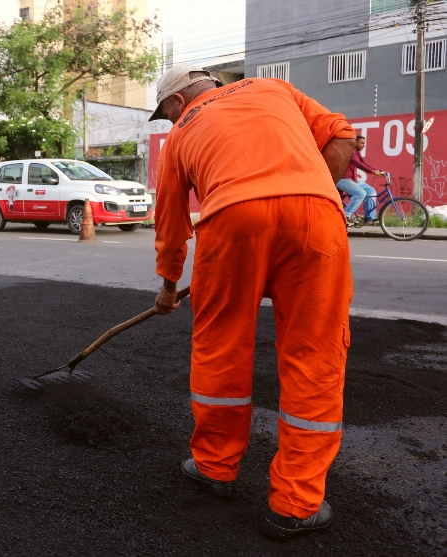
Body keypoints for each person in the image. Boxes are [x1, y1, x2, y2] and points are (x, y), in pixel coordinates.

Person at [149, 64, 355, 540]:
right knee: (314, 353)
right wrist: (307, 192)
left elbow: (171, 219)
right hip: (316, 220)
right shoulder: (273, 87)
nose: (168, 122)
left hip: (230, 223)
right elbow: (342, 137)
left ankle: (214, 469)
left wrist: (167, 284)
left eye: (164, 114)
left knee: (222, 347)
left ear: (178, 103)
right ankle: (297, 504)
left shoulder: (182, 133)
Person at [336, 136, 384, 225]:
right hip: (343, 180)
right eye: (362, 143)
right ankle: (346, 215)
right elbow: (359, 164)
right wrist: (372, 171)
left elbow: (364, 164)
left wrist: (379, 171)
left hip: (353, 180)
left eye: (364, 143)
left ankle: (369, 217)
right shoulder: (350, 153)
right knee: (361, 193)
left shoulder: (357, 153)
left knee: (371, 191)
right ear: (355, 143)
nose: (364, 145)